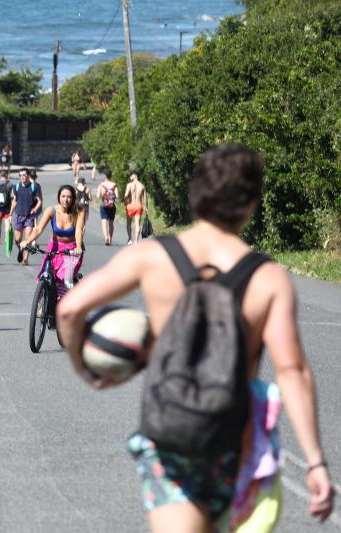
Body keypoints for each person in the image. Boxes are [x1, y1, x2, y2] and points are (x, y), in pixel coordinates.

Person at [58, 144, 335, 532]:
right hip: (235, 446)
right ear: (251, 202)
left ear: (195, 193)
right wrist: (316, 462)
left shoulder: (153, 256)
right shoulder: (267, 277)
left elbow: (69, 310)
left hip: (170, 438)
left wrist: (86, 369)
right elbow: (292, 371)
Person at [19, 184, 85, 300]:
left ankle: (65, 303)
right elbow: (38, 229)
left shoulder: (79, 212)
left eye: (69, 197)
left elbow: (78, 231)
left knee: (63, 280)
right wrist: (27, 241)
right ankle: (42, 303)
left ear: (73, 198)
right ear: (59, 197)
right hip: (54, 248)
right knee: (44, 276)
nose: (66, 199)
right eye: (63, 196)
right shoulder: (51, 210)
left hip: (71, 251)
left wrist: (78, 247)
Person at [10, 168, 42, 265]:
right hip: (19, 215)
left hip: (29, 216)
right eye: (20, 175)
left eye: (24, 175)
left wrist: (35, 209)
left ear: (28, 176)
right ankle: (20, 249)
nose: (22, 177)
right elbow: (15, 200)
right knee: (17, 239)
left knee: (28, 238)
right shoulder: (16, 187)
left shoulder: (34, 187)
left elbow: (40, 201)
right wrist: (10, 213)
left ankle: (25, 259)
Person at [124, 172, 148, 245]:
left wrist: (125, 203)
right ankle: (136, 241)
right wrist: (146, 207)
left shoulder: (129, 185)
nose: (130, 178)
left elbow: (126, 195)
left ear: (134, 176)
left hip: (130, 205)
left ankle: (129, 239)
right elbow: (145, 199)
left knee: (128, 223)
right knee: (137, 224)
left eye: (130, 176)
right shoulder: (142, 186)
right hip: (138, 206)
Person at [97, 169, 119, 245]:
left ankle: (106, 237)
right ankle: (110, 239)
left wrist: (104, 194)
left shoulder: (101, 185)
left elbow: (98, 196)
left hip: (103, 205)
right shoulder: (114, 185)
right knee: (111, 223)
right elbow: (117, 196)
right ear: (111, 176)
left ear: (105, 176)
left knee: (104, 223)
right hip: (112, 206)